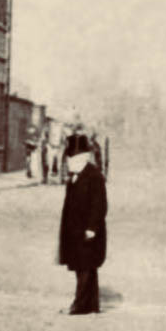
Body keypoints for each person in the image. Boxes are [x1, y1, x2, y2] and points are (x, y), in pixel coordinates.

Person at [57, 134, 107, 315]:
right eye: (69, 158)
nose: (69, 162)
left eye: (72, 158)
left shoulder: (94, 176)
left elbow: (99, 205)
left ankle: (79, 305)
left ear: (82, 158)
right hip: (75, 231)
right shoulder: (75, 176)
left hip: (88, 231)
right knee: (84, 267)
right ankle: (91, 304)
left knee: (86, 267)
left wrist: (92, 228)